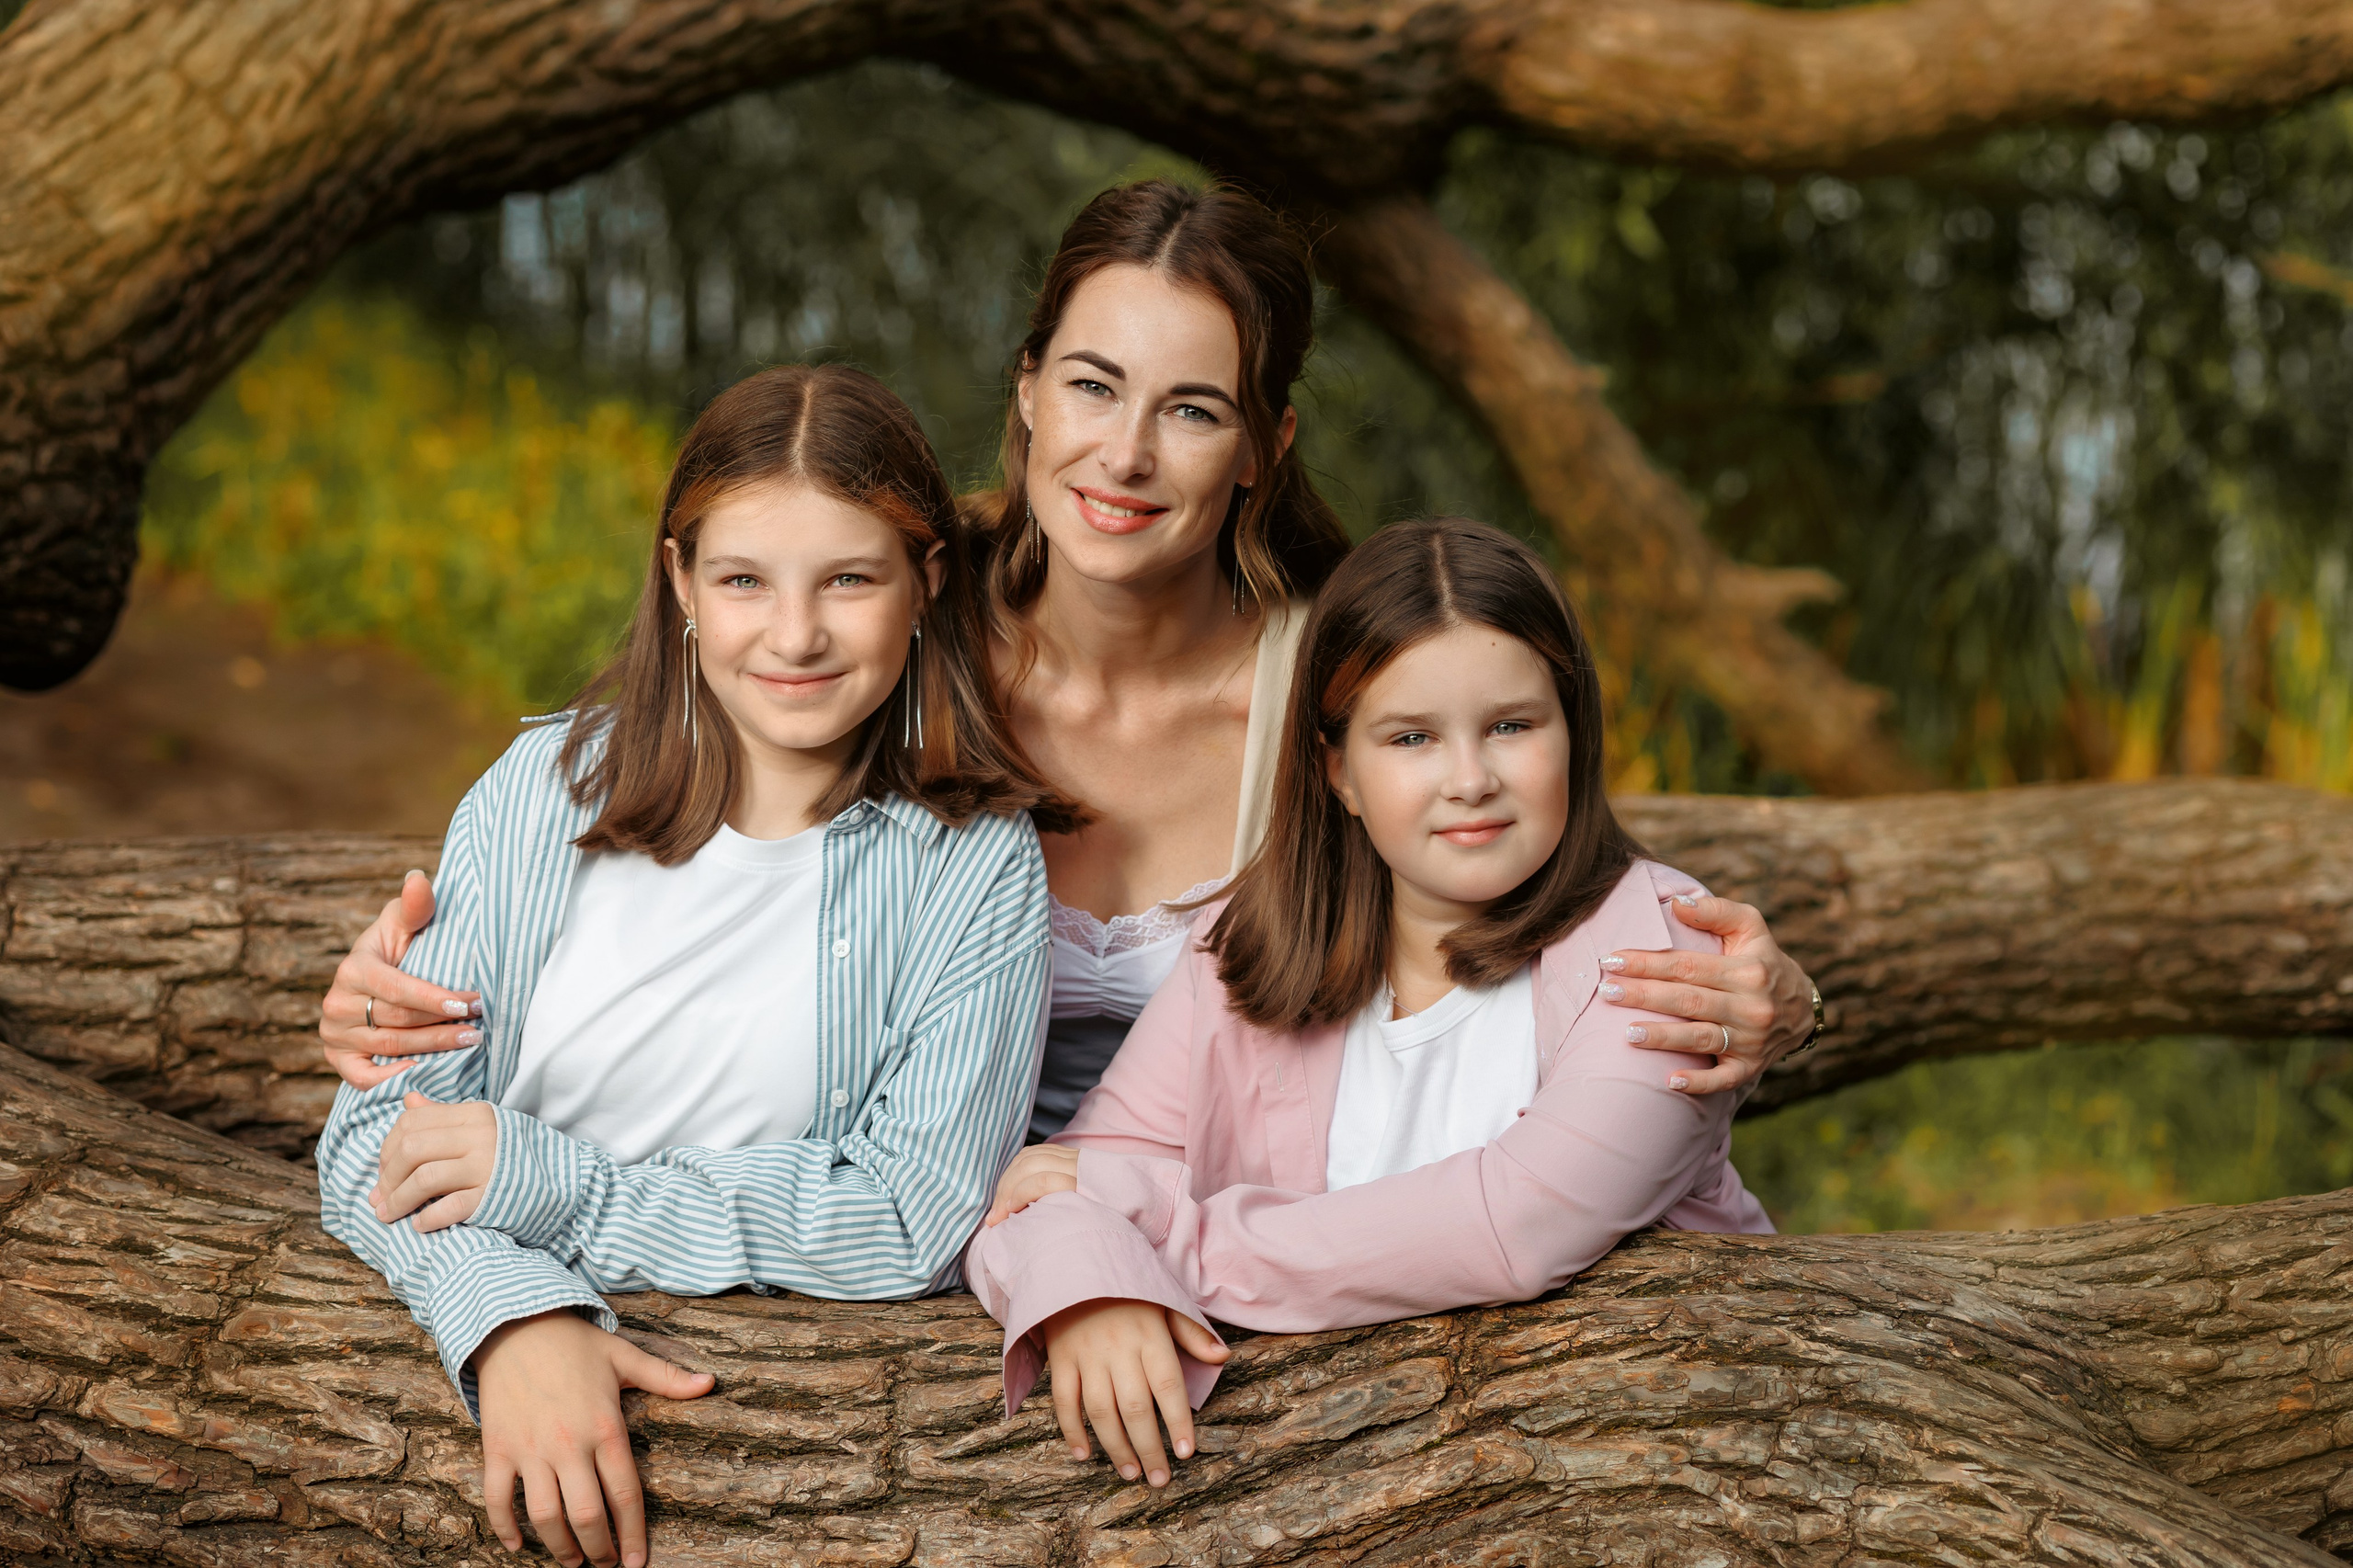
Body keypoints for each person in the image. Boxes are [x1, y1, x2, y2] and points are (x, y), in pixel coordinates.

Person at [316, 181, 1824, 1127]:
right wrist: (423, 997)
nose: (1126, 453)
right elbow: (642, 813)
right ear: (1029, 389)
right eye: (1094, 386)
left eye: (1193, 409)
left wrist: (1774, 995)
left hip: (1239, 1209)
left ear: (1264, 445)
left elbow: (1536, 855)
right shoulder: (887, 622)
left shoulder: (1337, 678)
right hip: (885, 1207)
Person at [313, 364, 1066, 1568]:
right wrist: (513, 1311)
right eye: (743, 579)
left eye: (850, 579)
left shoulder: (973, 865)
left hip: (756, 1462)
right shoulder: (544, 788)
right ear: (679, 581)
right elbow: (374, 1139)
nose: (795, 634)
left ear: (926, 582)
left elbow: (908, 1215)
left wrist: (561, 1189)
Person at [966, 518, 1777, 1491]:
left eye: (1512, 725)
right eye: (1411, 737)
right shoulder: (1245, 946)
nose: (1470, 779)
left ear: (1573, 732)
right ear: (1339, 770)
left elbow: (1516, 1225)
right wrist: (1091, 1283)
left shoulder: (1662, 942)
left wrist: (1159, 1234)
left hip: (1644, 1479)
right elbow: (1036, 1199)